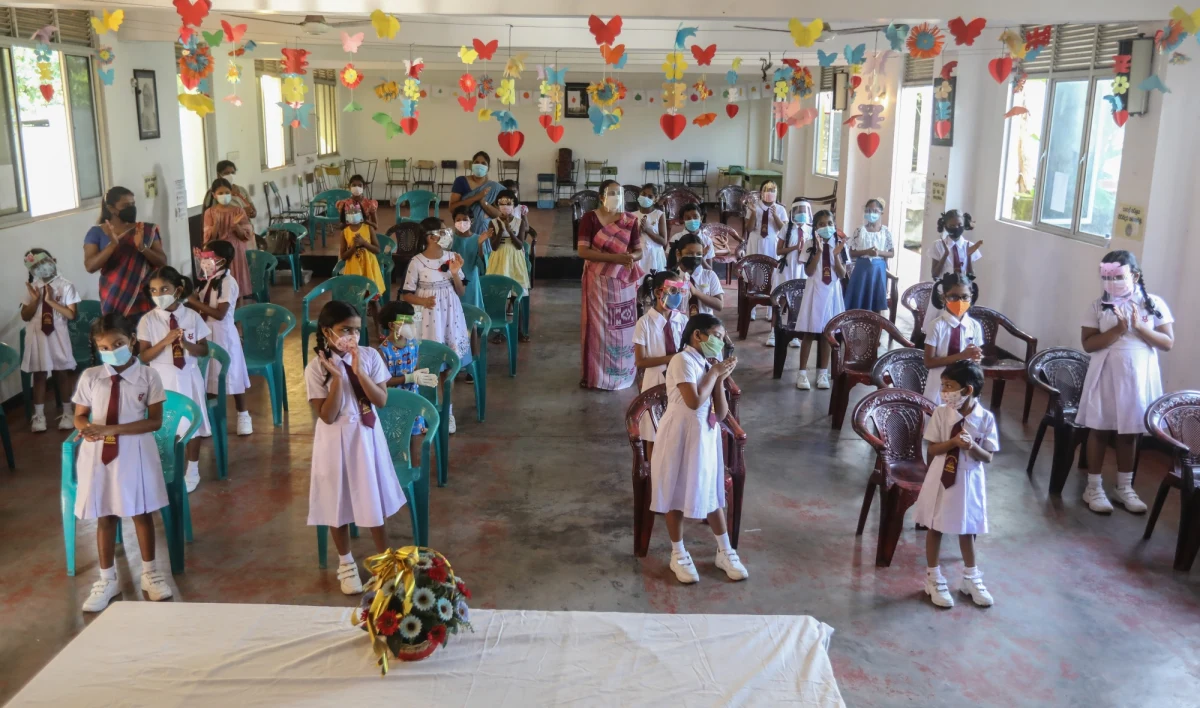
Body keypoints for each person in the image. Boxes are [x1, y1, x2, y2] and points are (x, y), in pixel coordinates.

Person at [72, 313, 173, 612]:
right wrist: (85, 429)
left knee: (141, 512)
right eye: (103, 347)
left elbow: (154, 422)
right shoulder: (91, 377)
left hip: (135, 451)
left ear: (131, 340)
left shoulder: (148, 376)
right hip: (98, 454)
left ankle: (150, 573)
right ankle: (107, 579)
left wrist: (111, 430)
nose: (110, 350)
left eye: (117, 343)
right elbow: (80, 415)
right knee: (105, 515)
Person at [307, 300, 405, 595]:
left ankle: (385, 562)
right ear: (327, 331)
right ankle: (346, 563)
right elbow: (326, 415)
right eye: (344, 330)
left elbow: (381, 400)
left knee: (371, 496)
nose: (351, 335)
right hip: (334, 440)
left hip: (366, 437)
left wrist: (359, 371)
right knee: (337, 499)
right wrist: (337, 378)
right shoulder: (316, 367)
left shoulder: (370, 355)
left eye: (356, 330)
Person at [650, 313, 748, 584]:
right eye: (717, 336)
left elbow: (723, 410)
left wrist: (718, 377)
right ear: (698, 335)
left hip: (705, 436)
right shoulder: (682, 360)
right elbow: (693, 401)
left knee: (711, 492)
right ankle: (678, 552)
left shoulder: (706, 363)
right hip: (680, 435)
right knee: (676, 492)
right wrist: (715, 373)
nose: (720, 342)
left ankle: (725, 550)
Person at [1076, 251, 1174, 514]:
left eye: (1119, 276)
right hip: (1106, 373)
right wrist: (1118, 329)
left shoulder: (1153, 304)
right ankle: (1093, 487)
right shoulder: (1098, 306)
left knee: (1129, 432)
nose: (1113, 282)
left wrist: (1139, 328)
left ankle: (1124, 487)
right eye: (1108, 277)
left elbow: (1167, 342)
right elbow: (1088, 344)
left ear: (1135, 276)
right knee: (1099, 428)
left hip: (1137, 377)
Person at [913, 361, 998, 608]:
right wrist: (953, 443)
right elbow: (932, 450)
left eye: (949, 386)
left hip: (969, 478)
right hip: (942, 476)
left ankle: (971, 577)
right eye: (943, 386)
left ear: (967, 390)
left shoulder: (986, 418)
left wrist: (972, 446)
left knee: (967, 527)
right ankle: (933, 577)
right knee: (936, 525)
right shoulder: (941, 413)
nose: (944, 392)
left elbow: (989, 457)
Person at [137, 267, 210, 493]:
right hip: (161, 378)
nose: (159, 295)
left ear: (177, 290)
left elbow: (204, 350)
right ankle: (163, 467)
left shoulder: (192, 316)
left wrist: (185, 344)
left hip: (188, 375)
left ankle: (193, 469)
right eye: (154, 291)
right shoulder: (148, 320)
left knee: (192, 425)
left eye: (164, 289)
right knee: (166, 426)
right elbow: (144, 356)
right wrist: (166, 341)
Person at [401, 217, 472, 434]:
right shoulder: (417, 262)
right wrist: (423, 301)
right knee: (426, 365)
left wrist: (454, 273)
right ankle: (424, 410)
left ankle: (447, 411)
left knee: (447, 367)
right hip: (428, 319)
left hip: (450, 316)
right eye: (443, 232)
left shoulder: (452, 257)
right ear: (432, 237)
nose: (447, 235)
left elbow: (461, 291)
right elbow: (406, 295)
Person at [577, 179, 644, 391]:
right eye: (612, 193)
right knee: (598, 329)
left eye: (619, 193)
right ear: (601, 196)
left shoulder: (629, 220)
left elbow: (638, 250)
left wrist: (630, 257)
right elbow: (583, 251)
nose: (616, 197)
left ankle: (623, 372)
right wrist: (616, 259)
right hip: (597, 282)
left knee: (622, 328)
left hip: (622, 284)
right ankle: (596, 376)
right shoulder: (590, 218)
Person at [186, 241, 253, 436]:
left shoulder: (228, 282)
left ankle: (243, 414)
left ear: (222, 260)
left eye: (209, 258)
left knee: (233, 375)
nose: (205, 262)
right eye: (204, 258)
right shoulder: (210, 279)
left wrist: (193, 301)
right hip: (207, 332)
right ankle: (208, 418)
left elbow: (220, 313)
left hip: (223, 333)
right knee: (209, 376)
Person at [84, 186, 168, 319]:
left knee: (148, 335)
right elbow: (90, 266)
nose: (131, 208)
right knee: (119, 334)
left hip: (145, 295)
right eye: (125, 205)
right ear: (111, 208)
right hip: (114, 295)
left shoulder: (145, 229)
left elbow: (162, 261)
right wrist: (112, 245)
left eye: (133, 204)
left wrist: (143, 247)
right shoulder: (96, 233)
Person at [21, 248, 79, 432]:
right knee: (39, 375)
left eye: (43, 263)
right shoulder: (33, 287)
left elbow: (71, 315)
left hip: (58, 335)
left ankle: (68, 412)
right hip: (37, 335)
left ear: (53, 260)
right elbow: (25, 315)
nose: (41, 269)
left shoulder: (66, 286)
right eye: (35, 267)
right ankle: (38, 416)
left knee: (61, 373)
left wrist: (52, 301)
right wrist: (36, 301)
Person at [633, 270, 688, 458]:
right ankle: (652, 479)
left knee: (676, 430)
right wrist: (672, 358)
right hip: (654, 382)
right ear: (658, 292)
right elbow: (640, 361)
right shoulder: (644, 323)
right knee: (653, 434)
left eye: (680, 291)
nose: (677, 296)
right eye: (673, 290)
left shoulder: (682, 321)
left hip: (679, 382)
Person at [793, 210, 847, 391]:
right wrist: (819, 251)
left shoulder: (839, 244)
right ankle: (802, 374)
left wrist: (836, 255)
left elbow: (841, 274)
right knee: (809, 332)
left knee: (827, 333)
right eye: (821, 224)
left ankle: (823, 373)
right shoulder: (809, 244)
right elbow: (808, 272)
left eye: (829, 223)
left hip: (832, 293)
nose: (826, 227)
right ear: (815, 227)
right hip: (814, 291)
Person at [922, 273, 984, 405]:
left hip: (964, 385)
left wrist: (975, 358)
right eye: (953, 297)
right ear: (944, 297)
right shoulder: (936, 326)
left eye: (965, 297)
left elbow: (975, 361)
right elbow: (928, 362)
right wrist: (961, 355)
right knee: (937, 420)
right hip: (939, 385)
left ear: (971, 297)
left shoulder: (974, 326)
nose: (960, 302)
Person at [765, 199, 811, 348]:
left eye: (804, 211)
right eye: (799, 211)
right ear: (793, 213)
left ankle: (794, 333)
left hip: (801, 270)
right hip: (787, 268)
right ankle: (773, 332)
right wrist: (793, 248)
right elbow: (779, 251)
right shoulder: (786, 228)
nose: (802, 214)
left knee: (796, 301)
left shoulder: (810, 230)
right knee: (782, 299)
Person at [924, 210, 979, 333]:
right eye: (952, 226)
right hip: (943, 291)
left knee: (958, 324)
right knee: (938, 326)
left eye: (959, 225)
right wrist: (945, 255)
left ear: (964, 224)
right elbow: (934, 274)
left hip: (961, 291)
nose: (956, 228)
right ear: (945, 226)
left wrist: (969, 256)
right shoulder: (938, 245)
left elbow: (971, 275)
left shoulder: (969, 245)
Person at [202, 178, 255, 298]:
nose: (224, 195)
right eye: (220, 193)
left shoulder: (238, 210)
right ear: (214, 195)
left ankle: (238, 311)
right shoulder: (209, 213)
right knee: (220, 288)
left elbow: (246, 235)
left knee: (237, 283)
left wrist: (236, 226)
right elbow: (209, 238)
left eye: (227, 192)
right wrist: (216, 224)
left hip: (235, 251)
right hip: (218, 253)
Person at [449, 151, 502, 264]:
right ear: (472, 164)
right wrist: (476, 197)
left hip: (483, 233)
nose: (480, 165)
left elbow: (499, 214)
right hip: (463, 231)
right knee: (462, 262)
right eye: (477, 162)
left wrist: (483, 202)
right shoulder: (461, 181)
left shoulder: (494, 187)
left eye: (483, 163)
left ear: (488, 167)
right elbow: (452, 208)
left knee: (481, 264)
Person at [844, 198, 895, 314]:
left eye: (875, 211)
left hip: (878, 270)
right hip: (862, 270)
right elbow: (851, 253)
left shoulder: (885, 232)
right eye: (868, 211)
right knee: (859, 300)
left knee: (875, 302)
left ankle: (875, 328)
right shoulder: (859, 231)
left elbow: (891, 253)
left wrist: (879, 253)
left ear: (881, 212)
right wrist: (866, 251)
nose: (871, 214)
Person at [484, 188, 531, 296]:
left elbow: (519, 245)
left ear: (514, 205)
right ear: (497, 205)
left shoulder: (520, 222)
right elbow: (494, 247)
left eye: (509, 203)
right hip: (499, 257)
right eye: (501, 203)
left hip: (515, 256)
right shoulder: (493, 223)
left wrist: (509, 231)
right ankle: (502, 307)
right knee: (499, 287)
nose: (505, 207)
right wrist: (501, 230)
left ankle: (511, 307)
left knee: (515, 287)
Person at [337, 202, 386, 294]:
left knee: (371, 295)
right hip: (353, 267)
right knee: (355, 293)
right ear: (345, 216)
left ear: (361, 213)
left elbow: (377, 249)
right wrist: (353, 247)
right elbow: (343, 256)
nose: (353, 214)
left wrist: (364, 243)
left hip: (369, 265)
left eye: (355, 211)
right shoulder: (345, 232)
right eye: (349, 212)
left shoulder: (368, 228)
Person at [669, 235, 723, 317]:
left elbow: (719, 305)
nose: (694, 257)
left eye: (699, 254)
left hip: (705, 323)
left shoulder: (709, 275)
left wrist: (695, 292)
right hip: (679, 325)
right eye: (689, 253)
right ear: (678, 253)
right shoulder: (671, 277)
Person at [449, 205, 488, 310]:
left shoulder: (478, 239)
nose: (461, 223)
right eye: (458, 220)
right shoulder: (450, 239)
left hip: (471, 281)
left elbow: (482, 267)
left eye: (465, 220)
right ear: (454, 222)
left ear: (472, 221)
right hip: (453, 280)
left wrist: (480, 245)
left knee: (472, 312)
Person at [635, 184, 668, 274]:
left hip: (655, 255)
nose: (646, 198)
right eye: (643, 194)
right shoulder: (633, 215)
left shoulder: (659, 214)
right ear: (639, 195)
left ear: (655, 199)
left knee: (655, 283)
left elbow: (663, 241)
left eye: (650, 196)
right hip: (639, 254)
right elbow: (629, 240)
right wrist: (638, 231)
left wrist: (647, 230)